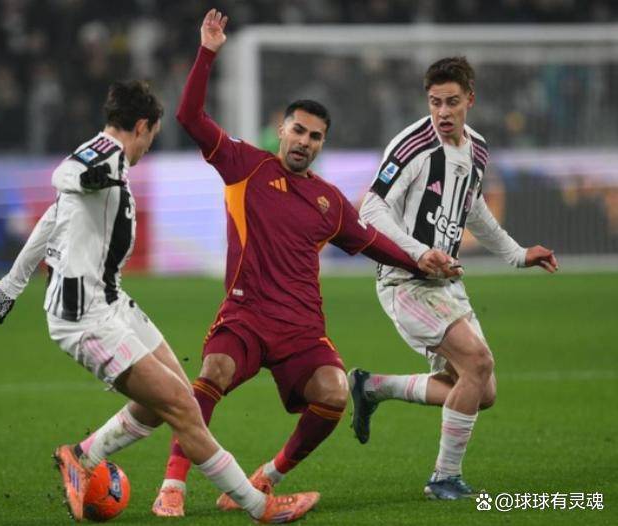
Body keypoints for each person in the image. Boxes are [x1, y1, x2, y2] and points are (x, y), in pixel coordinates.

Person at [151, 10, 459, 517]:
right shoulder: (245, 165)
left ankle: (267, 477)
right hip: (246, 315)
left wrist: (422, 262)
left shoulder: (329, 201)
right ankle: (172, 486)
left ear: (321, 144)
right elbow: (189, 117)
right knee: (213, 371)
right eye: (298, 130)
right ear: (281, 129)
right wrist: (207, 52)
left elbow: (373, 242)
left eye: (315, 137)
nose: (304, 142)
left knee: (334, 394)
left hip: (300, 328)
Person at [0, 79, 321, 524]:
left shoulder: (107, 162)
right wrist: (85, 176)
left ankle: (82, 456)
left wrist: (12, 283)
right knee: (182, 409)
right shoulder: (101, 159)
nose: (148, 147)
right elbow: (63, 176)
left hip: (112, 301)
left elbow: (53, 216)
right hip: (84, 318)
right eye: (151, 137)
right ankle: (260, 506)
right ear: (141, 126)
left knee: (178, 398)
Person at [350, 56, 559, 500]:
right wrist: (419, 252)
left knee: (482, 391)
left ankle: (372, 386)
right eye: (434, 102)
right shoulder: (412, 145)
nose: (442, 112)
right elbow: (371, 208)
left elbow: (473, 207)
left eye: (451, 102)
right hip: (404, 281)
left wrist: (517, 254)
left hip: (445, 284)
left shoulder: (477, 149)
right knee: (478, 365)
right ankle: (443, 478)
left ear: (470, 100)